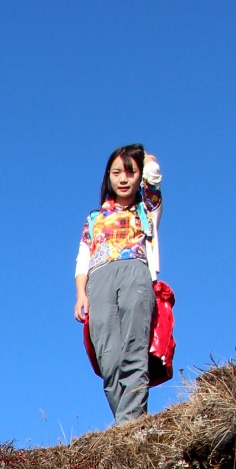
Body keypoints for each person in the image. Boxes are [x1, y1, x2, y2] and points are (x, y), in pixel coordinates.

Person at [74, 144, 163, 422]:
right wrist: (80, 294)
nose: (123, 179)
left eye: (129, 172)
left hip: (135, 273)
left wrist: (146, 160)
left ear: (138, 177)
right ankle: (130, 421)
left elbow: (154, 180)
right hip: (98, 280)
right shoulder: (94, 218)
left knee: (134, 350)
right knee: (108, 358)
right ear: (108, 177)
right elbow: (82, 259)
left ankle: (129, 424)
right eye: (116, 172)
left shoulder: (147, 209)